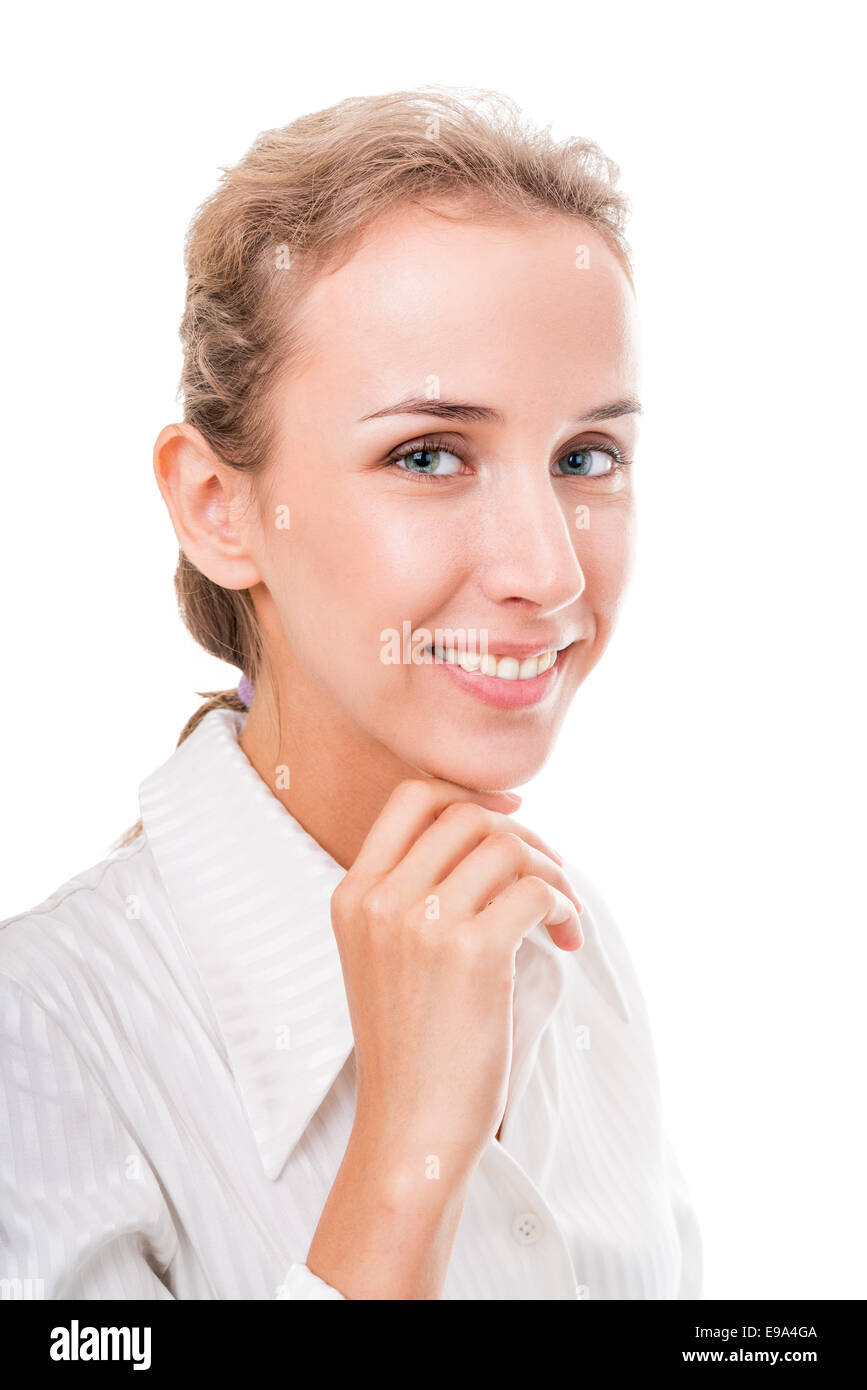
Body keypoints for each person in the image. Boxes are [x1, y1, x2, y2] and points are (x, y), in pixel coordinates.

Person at [0, 86, 702, 1300]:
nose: (546, 570)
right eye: (428, 454)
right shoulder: (46, 1037)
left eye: (587, 457)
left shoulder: (574, 952)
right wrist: (403, 1164)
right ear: (220, 508)